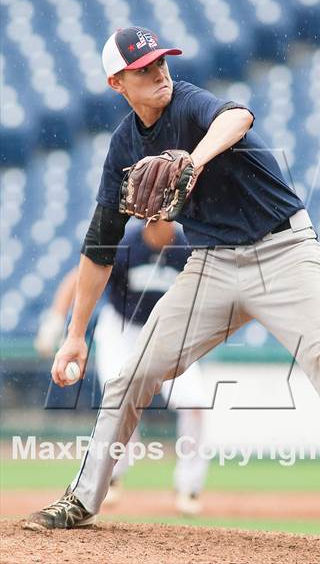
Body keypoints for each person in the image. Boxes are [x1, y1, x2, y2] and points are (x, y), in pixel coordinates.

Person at [25, 26, 320, 535]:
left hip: (284, 251)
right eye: (143, 68)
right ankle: (81, 499)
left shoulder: (188, 104)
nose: (158, 72)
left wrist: (193, 158)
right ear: (117, 82)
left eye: (161, 61)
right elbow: (100, 243)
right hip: (212, 264)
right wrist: (75, 334)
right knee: (131, 376)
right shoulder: (124, 147)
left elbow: (238, 116)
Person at [34, 220, 209, 516]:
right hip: (122, 328)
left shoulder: (187, 247)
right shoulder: (126, 243)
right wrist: (56, 320)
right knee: (119, 398)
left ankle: (189, 487)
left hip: (167, 331)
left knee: (195, 404)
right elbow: (78, 279)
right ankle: (112, 477)